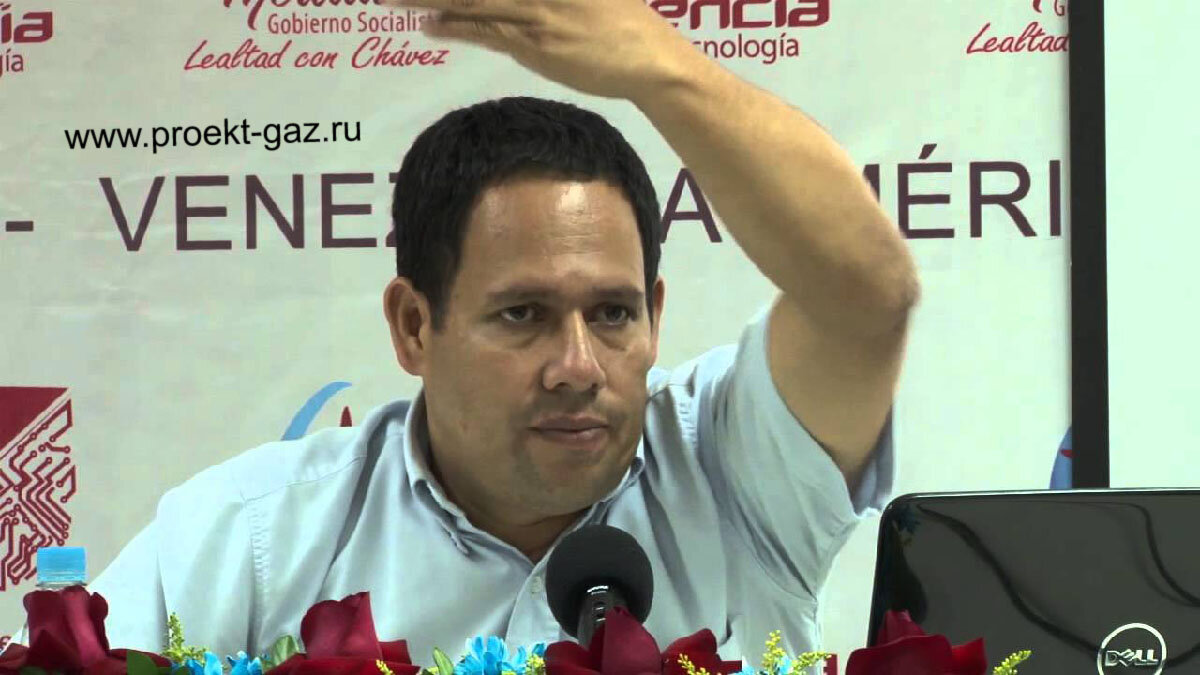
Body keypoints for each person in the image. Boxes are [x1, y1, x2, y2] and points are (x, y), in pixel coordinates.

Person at [23, 0, 918, 662]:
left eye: (613, 313)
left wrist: (662, 71)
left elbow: (868, 292)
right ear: (415, 326)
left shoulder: (735, 472)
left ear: (656, 313)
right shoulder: (252, 537)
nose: (578, 366)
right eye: (523, 315)